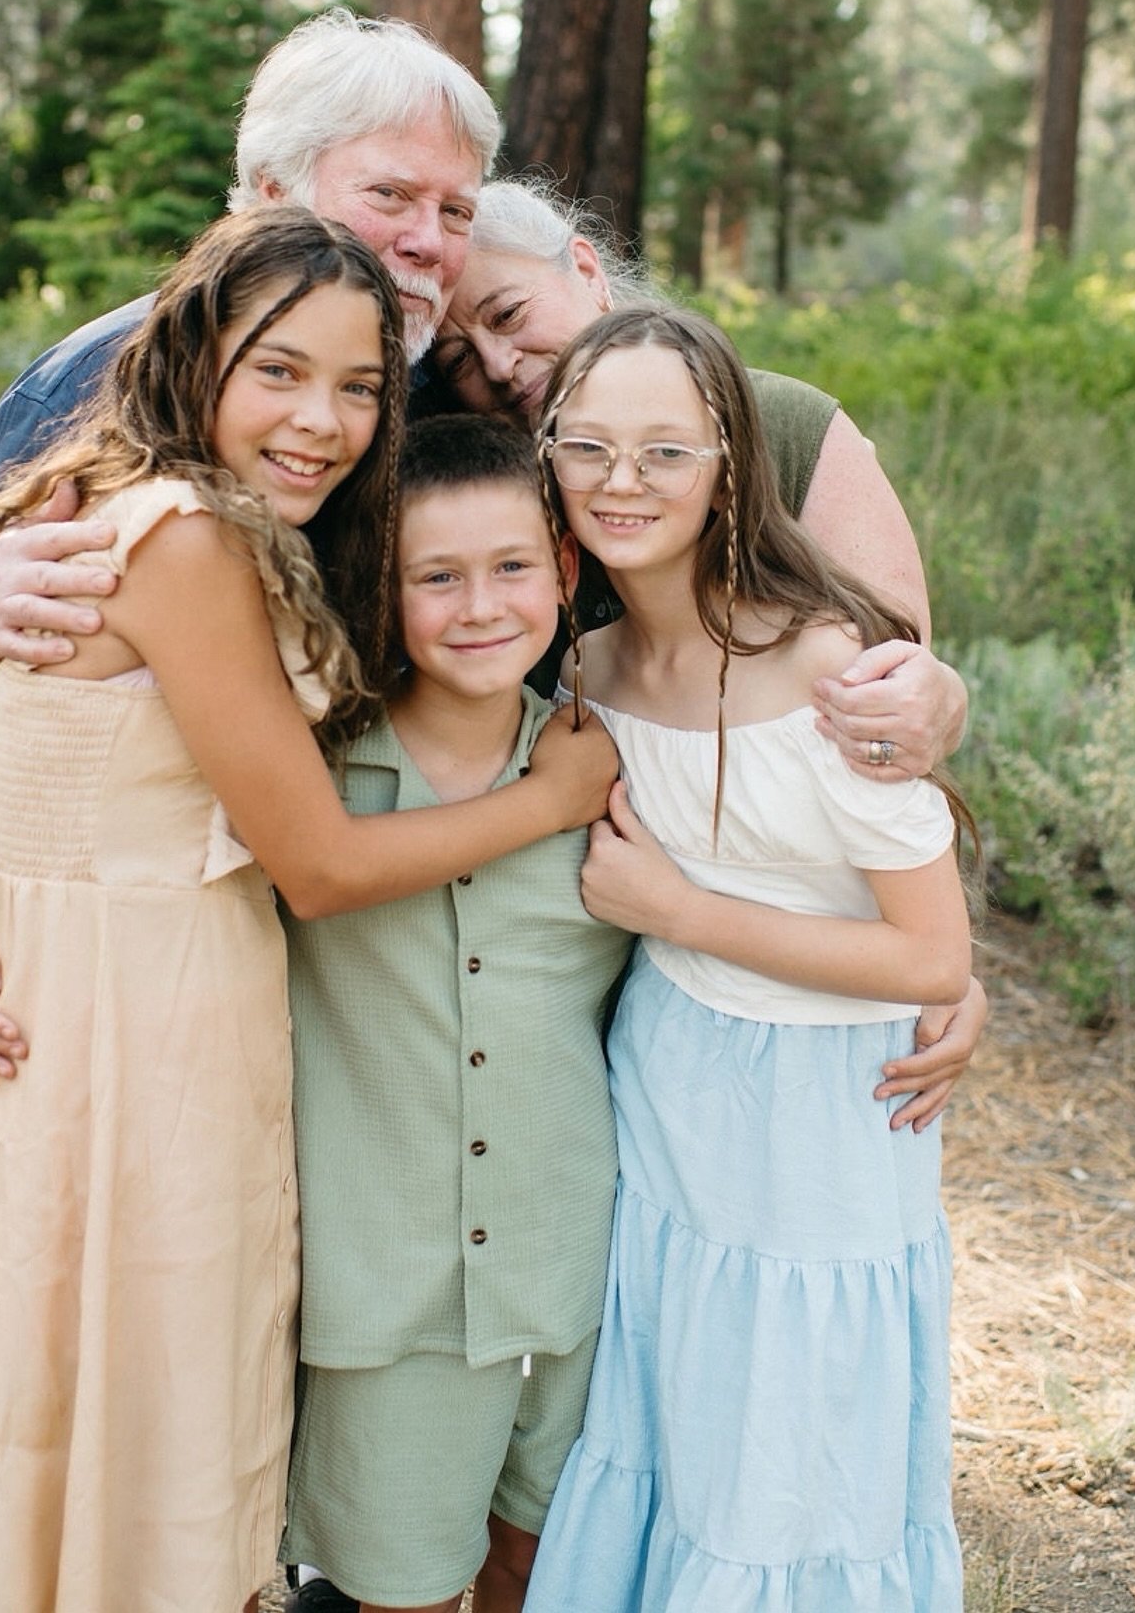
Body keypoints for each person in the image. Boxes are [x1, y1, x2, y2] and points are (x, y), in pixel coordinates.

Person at [0, 207, 616, 1613]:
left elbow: (97, 799)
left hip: (124, 1007)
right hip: (147, 1048)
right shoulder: (183, 540)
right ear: (197, 360)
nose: (326, 420)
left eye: (363, 385)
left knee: (99, 1409)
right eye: (280, 371)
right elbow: (317, 864)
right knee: (156, 1429)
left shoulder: (134, 505)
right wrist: (555, 800)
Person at [520, 303, 974, 1611]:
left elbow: (933, 956)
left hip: (828, 1107)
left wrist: (676, 907)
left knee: (793, 1455)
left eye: (667, 451)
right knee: (676, 1409)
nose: (623, 482)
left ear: (731, 463)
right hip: (665, 1077)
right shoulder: (588, 668)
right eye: (589, 447)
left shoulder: (828, 666)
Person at [430, 178, 985, 1130]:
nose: (496, 358)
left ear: (588, 270)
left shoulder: (783, 427)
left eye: (509, 312)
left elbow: (886, 710)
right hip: (626, 1008)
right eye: (456, 355)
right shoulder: (478, 499)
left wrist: (927, 963)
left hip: (801, 1014)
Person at [0, 9, 499, 750]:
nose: (428, 241)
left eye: (456, 211)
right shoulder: (102, 374)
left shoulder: (465, 381)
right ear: (272, 194)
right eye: (389, 195)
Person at [275, 415, 633, 1613]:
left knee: (536, 1567)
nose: (480, 605)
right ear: (387, 586)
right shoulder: (315, 784)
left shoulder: (620, 780)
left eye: (513, 567)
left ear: (567, 574)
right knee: (406, 1592)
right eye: (438, 576)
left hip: (573, 1270)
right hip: (393, 1295)